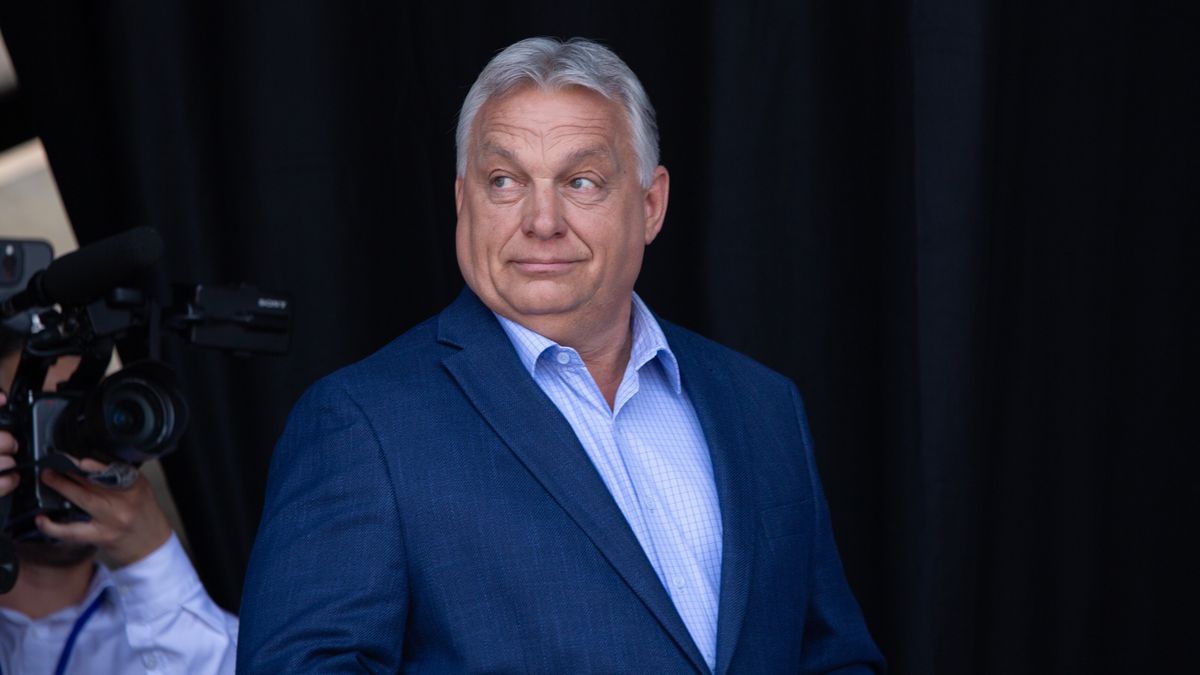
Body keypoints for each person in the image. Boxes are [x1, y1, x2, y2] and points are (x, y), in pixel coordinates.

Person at [238, 37, 884, 674]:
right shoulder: (363, 423)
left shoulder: (763, 405)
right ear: (463, 202)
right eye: (504, 181)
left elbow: (833, 658)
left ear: (651, 205)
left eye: (580, 181)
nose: (541, 221)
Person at [0, 333, 238, 674]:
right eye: (40, 416)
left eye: (80, 413)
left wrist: (153, 558)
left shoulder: (175, 623)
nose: (66, 451)